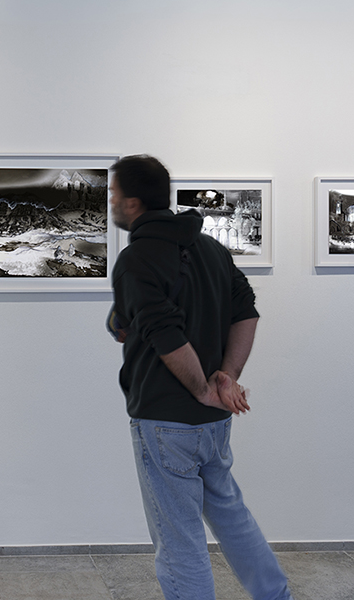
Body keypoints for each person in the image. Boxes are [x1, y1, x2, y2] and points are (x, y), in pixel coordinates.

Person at [108, 155, 293, 600]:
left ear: (132, 203)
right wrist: (226, 377)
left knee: (179, 539)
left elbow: (167, 335)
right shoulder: (210, 249)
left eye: (113, 193)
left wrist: (203, 388)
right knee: (232, 516)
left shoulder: (137, 259)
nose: (110, 201)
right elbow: (246, 313)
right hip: (212, 424)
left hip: (165, 421)